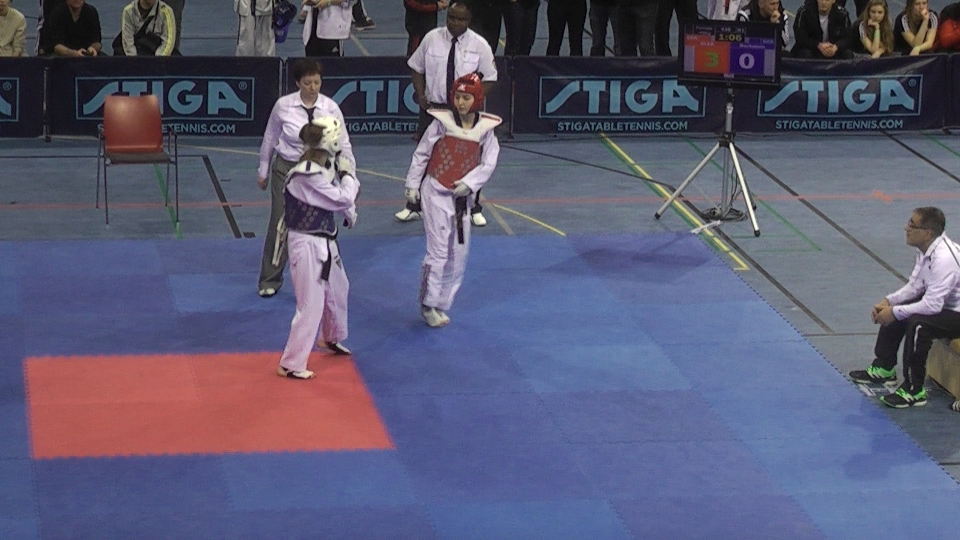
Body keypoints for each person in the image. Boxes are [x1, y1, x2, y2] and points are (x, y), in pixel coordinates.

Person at [404, 73, 501, 328]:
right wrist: (412, 184)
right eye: (457, 97)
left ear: (476, 99)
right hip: (435, 191)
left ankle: (441, 302)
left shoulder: (486, 129)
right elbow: (422, 153)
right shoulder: (441, 123)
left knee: (458, 252)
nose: (460, 102)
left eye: (466, 97)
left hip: (461, 199)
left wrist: (470, 183)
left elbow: (489, 162)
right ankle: (427, 303)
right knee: (438, 251)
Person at [257, 59, 356, 298]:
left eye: (317, 82)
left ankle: (327, 275)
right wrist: (263, 169)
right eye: (307, 83)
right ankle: (270, 278)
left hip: (321, 171)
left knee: (323, 221)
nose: (313, 87)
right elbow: (270, 137)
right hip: (287, 169)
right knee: (280, 222)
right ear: (297, 83)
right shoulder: (283, 106)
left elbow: (343, 143)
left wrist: (349, 173)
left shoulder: (330, 107)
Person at [396, 0, 497, 226]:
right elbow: (416, 67)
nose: (455, 22)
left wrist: (472, 101)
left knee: (470, 158)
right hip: (434, 108)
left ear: (468, 20)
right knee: (425, 155)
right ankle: (414, 205)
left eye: (460, 19)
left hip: (464, 112)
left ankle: (473, 207)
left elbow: (490, 78)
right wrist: (420, 94)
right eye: (451, 17)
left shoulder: (479, 44)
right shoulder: (431, 38)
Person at [849, 207, 960, 409]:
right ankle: (884, 367)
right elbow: (915, 286)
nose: (906, 228)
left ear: (927, 233)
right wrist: (888, 301)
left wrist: (894, 313)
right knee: (899, 307)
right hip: (949, 307)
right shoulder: (926, 250)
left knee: (918, 324)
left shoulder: (944, 259)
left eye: (912, 225)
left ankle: (914, 390)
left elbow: (932, 305)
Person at [275, 117, 359, 380]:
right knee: (310, 303)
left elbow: (338, 200)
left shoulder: (323, 168)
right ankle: (290, 363)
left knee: (339, 287)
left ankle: (331, 337)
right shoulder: (306, 175)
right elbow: (342, 197)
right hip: (306, 243)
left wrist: (350, 214)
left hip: (324, 239)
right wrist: (349, 176)